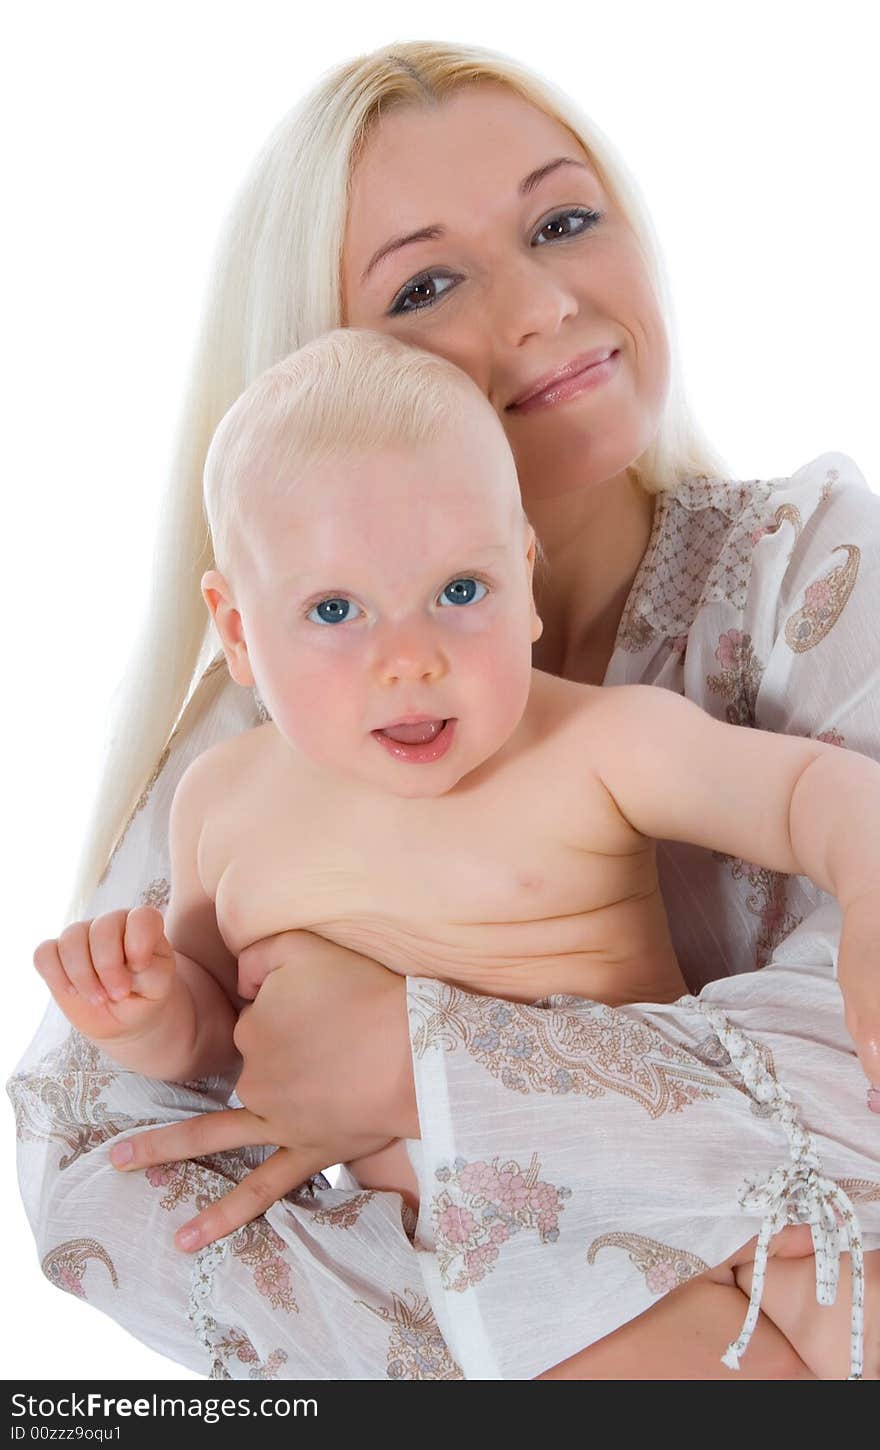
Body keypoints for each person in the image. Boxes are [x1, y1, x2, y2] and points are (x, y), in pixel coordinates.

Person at [8, 39, 880, 1381]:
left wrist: (431, 1069)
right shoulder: (255, 748)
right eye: (427, 281)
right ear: (322, 372)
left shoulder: (812, 573)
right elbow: (104, 1170)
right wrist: (532, 1325)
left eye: (563, 219)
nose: (537, 303)